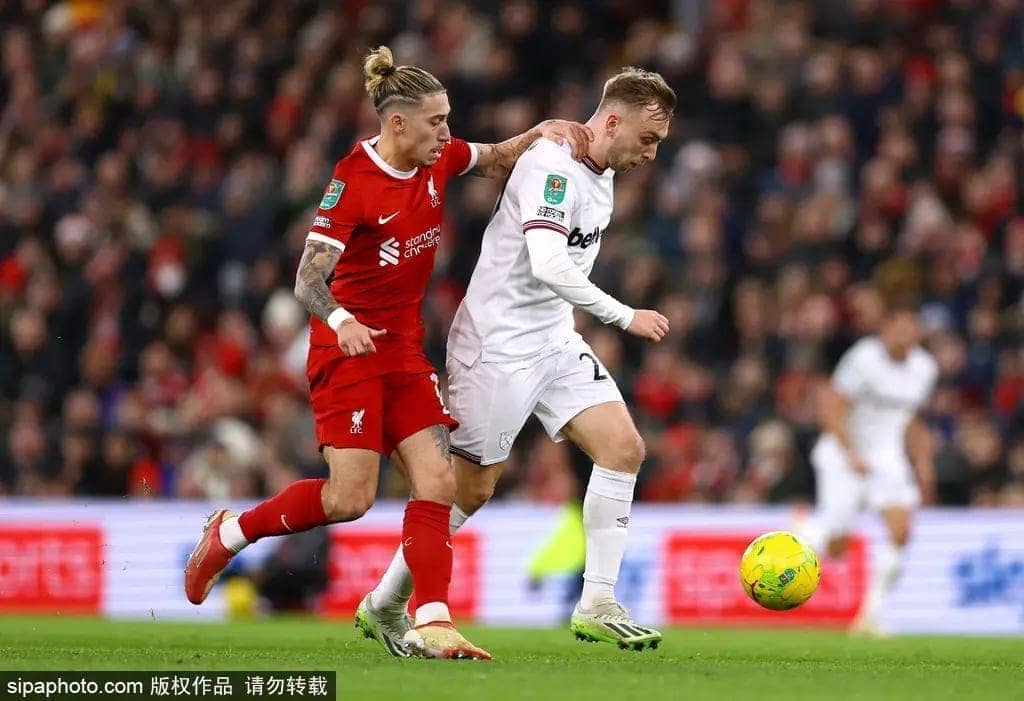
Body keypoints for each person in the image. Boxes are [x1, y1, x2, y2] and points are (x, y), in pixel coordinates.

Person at [183, 46, 591, 661]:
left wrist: (541, 132)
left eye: (448, 119)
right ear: (397, 123)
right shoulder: (354, 181)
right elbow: (307, 280)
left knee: (438, 481)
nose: (447, 133)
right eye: (436, 121)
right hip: (346, 350)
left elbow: (495, 157)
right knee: (349, 499)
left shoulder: (438, 158)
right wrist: (342, 319)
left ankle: (432, 618)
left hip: (401, 350)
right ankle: (231, 532)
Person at [359, 67, 676, 654]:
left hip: (553, 337)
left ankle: (597, 602)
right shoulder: (553, 167)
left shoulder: (601, 170)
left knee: (624, 449)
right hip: (497, 343)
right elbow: (548, 263)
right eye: (648, 138)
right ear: (612, 121)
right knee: (470, 489)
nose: (652, 153)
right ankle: (385, 602)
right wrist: (622, 315)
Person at [806, 298, 938, 635]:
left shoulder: (925, 368)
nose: (905, 333)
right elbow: (831, 407)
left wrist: (923, 463)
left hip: (886, 457)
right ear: (885, 329)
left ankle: (869, 616)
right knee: (836, 546)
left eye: (912, 326)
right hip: (842, 453)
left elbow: (912, 419)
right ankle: (804, 531)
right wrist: (850, 452)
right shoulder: (863, 359)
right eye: (899, 326)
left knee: (901, 530)